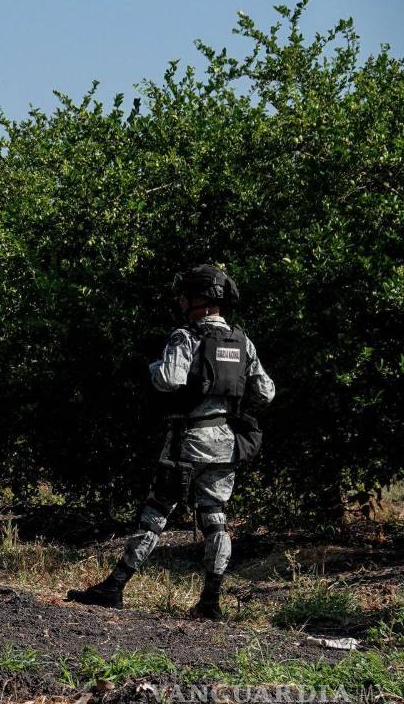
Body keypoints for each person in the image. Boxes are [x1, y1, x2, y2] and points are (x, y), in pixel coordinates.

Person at [67, 264, 274, 620]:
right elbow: (266, 392)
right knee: (216, 519)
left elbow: (168, 380)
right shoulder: (243, 341)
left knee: (156, 513)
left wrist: (151, 368)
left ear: (202, 300)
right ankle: (210, 601)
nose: (180, 300)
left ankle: (114, 587)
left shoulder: (186, 336)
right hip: (226, 443)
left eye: (187, 294)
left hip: (187, 440)